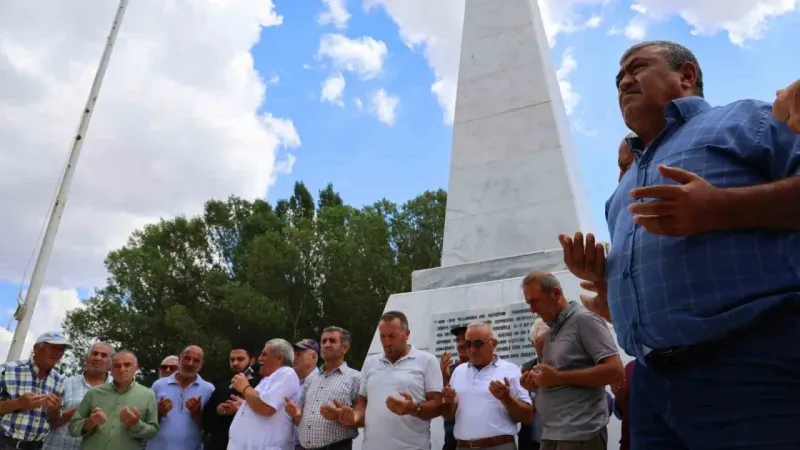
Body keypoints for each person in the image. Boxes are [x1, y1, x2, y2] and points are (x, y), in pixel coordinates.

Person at [560, 40, 800, 449]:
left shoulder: (748, 119)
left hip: (750, 365)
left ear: (686, 75)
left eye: (636, 68)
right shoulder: (621, 190)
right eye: (618, 78)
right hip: (653, 386)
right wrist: (605, 282)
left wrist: (722, 208)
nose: (623, 81)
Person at [519, 271, 622, 450]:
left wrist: (558, 377)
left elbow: (615, 371)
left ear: (556, 293)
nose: (532, 310)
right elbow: (554, 378)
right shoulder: (549, 332)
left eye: (535, 301)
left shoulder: (585, 320)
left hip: (580, 435)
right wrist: (535, 384)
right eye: (529, 303)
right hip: (551, 434)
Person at [335, 311, 443, 450]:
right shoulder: (371, 363)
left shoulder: (427, 361)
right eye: (382, 336)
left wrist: (413, 408)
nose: (387, 342)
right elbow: (362, 402)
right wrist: (354, 416)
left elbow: (437, 406)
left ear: (407, 334)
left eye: (392, 336)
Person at [441, 321, 533, 450]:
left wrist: (507, 398)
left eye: (478, 344)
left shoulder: (510, 370)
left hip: (499, 445)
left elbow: (527, 417)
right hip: (464, 446)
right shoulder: (458, 372)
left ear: (494, 344)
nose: (472, 349)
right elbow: (449, 416)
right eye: (468, 344)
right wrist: (449, 403)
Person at [285, 327, 360, 450]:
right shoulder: (311, 379)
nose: (326, 345)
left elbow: (364, 420)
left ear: (345, 348)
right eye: (324, 341)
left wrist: (341, 417)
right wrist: (296, 414)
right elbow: (299, 421)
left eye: (332, 341)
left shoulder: (356, 378)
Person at [68, 350, 158, 449]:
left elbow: (152, 432)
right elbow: (73, 428)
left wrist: (135, 424)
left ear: (136, 368)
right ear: (110, 369)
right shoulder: (93, 393)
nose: (122, 369)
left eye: (127, 365)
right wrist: (91, 421)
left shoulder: (148, 395)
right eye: (117, 366)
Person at [228, 339, 300, 450]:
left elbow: (267, 408)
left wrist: (245, 388)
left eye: (264, 354)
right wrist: (244, 406)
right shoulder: (267, 379)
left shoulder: (287, 373)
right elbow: (260, 402)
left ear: (279, 358)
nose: (259, 358)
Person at [0, 331, 67, 449]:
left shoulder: (59, 380)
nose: (58, 353)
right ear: (36, 348)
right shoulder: (8, 370)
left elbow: (55, 420)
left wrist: (54, 410)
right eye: (53, 347)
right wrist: (18, 403)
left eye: (61, 349)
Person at [43, 343, 113, 450]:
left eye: (104, 355)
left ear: (111, 363)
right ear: (86, 358)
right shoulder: (65, 383)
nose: (98, 358)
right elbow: (51, 422)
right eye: (94, 354)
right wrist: (83, 406)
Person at [147, 345, 214, 450]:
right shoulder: (158, 385)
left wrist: (197, 414)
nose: (190, 363)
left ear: (201, 365)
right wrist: (159, 412)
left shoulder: (208, 389)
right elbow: (146, 420)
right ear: (179, 359)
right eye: (187, 358)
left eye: (196, 360)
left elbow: (210, 426)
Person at [202, 346, 259, 450]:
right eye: (232, 360)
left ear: (252, 361)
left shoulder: (260, 387)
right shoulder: (221, 388)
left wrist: (242, 409)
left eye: (240, 359)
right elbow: (206, 424)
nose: (235, 363)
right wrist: (218, 412)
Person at [440, 325, 468, 450]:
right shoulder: (451, 369)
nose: (460, 344)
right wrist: (445, 376)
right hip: (452, 438)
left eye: (464, 340)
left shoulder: (485, 368)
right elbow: (446, 402)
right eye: (457, 340)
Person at [292, 339, 320, 450]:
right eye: (294, 354)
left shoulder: (322, 382)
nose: (294, 358)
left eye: (299, 354)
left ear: (314, 356)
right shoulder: (291, 382)